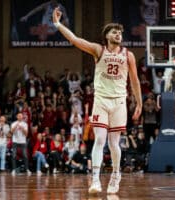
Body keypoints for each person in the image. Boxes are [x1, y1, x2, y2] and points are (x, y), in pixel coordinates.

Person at [52, 8, 142, 194]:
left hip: (119, 102)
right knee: (99, 140)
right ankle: (95, 179)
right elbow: (75, 40)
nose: (118, 34)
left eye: (119, 32)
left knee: (114, 143)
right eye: (114, 31)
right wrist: (58, 24)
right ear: (107, 36)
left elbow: (134, 80)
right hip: (101, 100)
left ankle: (116, 176)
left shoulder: (128, 55)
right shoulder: (98, 50)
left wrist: (139, 103)